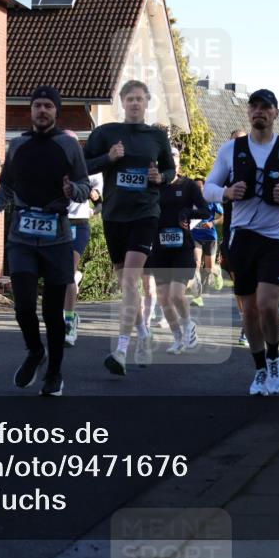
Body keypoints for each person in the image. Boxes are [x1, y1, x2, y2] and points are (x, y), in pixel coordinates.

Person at [204, 89, 279, 396]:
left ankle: (275, 358)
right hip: (242, 237)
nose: (259, 112)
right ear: (248, 112)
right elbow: (208, 188)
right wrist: (226, 193)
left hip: (276, 238)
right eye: (254, 107)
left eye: (265, 107)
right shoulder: (231, 149)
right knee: (249, 311)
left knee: (268, 304)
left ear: (275, 113)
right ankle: (259, 369)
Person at [0, 86, 90, 396]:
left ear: (56, 112)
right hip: (22, 236)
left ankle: (54, 373)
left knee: (53, 314)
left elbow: (83, 185)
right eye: (37, 106)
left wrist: (74, 192)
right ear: (31, 111)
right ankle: (34, 351)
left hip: (57, 236)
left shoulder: (68, 145)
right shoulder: (17, 145)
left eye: (48, 107)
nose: (42, 111)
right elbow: (7, 188)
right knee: (24, 305)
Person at [84, 80, 175, 377]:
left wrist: (159, 178)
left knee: (130, 282)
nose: (135, 103)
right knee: (127, 284)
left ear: (147, 102)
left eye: (140, 99)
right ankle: (144, 332)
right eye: (130, 99)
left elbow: (170, 170)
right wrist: (108, 158)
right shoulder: (105, 133)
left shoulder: (156, 136)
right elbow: (82, 166)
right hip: (113, 215)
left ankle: (121, 349)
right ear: (122, 102)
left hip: (145, 214)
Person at [146, 147, 212, 358]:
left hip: (183, 247)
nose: (170, 162)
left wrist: (188, 212)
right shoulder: (154, 186)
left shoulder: (188, 185)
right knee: (164, 298)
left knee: (176, 294)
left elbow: (205, 210)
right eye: (167, 159)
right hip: (159, 247)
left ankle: (188, 325)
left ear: (179, 163)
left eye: (174, 159)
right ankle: (178, 337)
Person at [62, 130, 103, 347]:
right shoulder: (52, 167)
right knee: (58, 276)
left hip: (78, 225)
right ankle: (73, 280)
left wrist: (93, 207)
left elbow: (100, 204)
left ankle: (69, 322)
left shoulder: (91, 170)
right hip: (56, 224)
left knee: (67, 274)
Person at [218, 129, 248, 345]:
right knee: (238, 279)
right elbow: (209, 191)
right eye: (234, 143)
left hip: (259, 230)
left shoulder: (260, 165)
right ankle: (245, 321)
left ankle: (254, 318)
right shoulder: (225, 169)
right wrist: (226, 192)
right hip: (232, 230)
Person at [190, 180, 223, 306]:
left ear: (204, 187)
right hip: (195, 236)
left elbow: (222, 217)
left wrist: (212, 222)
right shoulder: (190, 201)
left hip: (209, 236)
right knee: (196, 264)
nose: (198, 189)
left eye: (200, 187)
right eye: (196, 187)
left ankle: (217, 272)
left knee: (209, 268)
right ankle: (197, 297)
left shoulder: (211, 201)